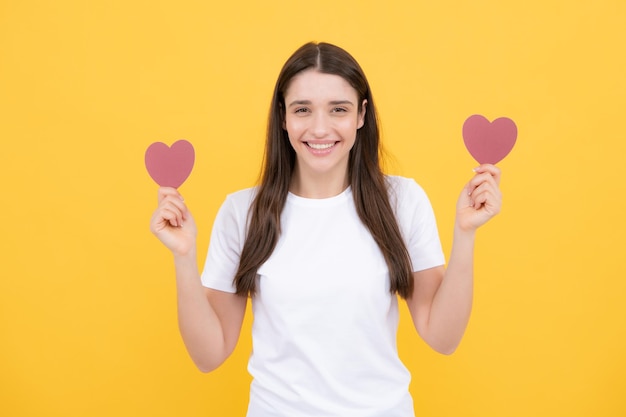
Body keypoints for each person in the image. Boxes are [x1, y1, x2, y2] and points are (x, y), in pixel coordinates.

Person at [150, 42, 502, 417]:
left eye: (339, 109)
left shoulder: (402, 201)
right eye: (303, 109)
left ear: (361, 115)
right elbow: (209, 355)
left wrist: (465, 235)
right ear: (282, 116)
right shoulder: (243, 212)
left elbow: (442, 337)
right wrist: (184, 257)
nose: (320, 128)